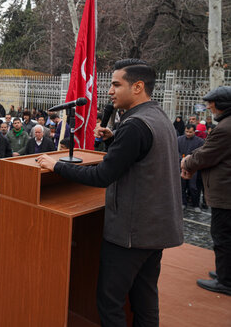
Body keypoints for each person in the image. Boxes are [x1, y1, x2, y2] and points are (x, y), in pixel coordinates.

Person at [37, 59, 184, 325]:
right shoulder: (158, 116)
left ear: (137, 87)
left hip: (131, 232)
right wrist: (113, 139)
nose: (110, 91)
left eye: (117, 84)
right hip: (156, 228)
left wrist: (56, 165)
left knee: (110, 302)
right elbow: (144, 155)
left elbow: (102, 175)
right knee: (145, 300)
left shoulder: (134, 125)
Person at [181, 86, 231, 296]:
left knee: (222, 236)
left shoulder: (225, 128)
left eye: (211, 103)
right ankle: (225, 272)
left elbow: (206, 156)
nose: (209, 107)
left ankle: (226, 281)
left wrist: (186, 161)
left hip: (225, 193)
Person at [177, 124, 204, 211]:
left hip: (194, 167)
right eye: (187, 132)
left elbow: (201, 153)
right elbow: (176, 151)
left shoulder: (200, 141)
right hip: (181, 166)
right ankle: (183, 203)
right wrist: (182, 159)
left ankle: (196, 204)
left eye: (190, 132)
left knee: (193, 187)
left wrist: (190, 159)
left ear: (194, 131)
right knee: (182, 186)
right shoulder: (179, 139)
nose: (188, 134)